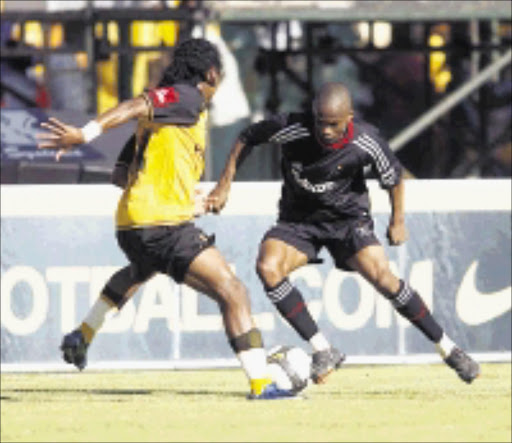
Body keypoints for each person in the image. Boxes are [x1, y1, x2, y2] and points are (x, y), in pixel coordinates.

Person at [36, 38, 296, 400]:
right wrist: (85, 134)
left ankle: (83, 334)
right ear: (210, 73)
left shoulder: (163, 120)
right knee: (232, 292)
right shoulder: (186, 97)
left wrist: (187, 200)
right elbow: (136, 103)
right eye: (217, 75)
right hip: (160, 223)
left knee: (140, 269)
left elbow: (122, 176)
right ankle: (262, 383)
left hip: (132, 223)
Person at [207, 82, 481, 385]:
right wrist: (224, 184)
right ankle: (323, 349)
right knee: (268, 268)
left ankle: (449, 348)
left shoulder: (367, 141)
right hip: (299, 221)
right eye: (320, 123)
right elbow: (248, 137)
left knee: (384, 279)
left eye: (334, 125)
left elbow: (394, 178)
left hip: (348, 221)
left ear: (349, 117)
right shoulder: (293, 127)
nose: (325, 131)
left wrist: (397, 220)